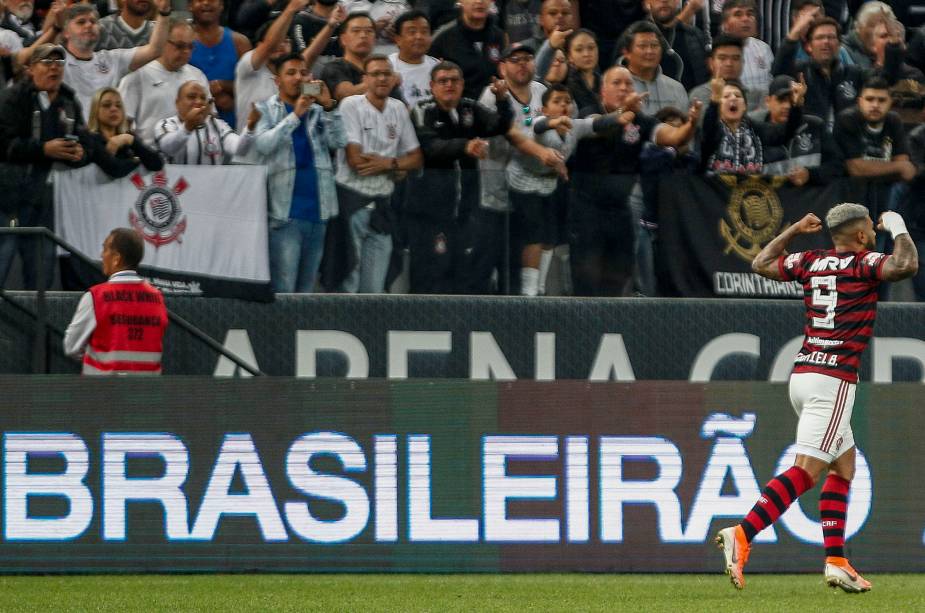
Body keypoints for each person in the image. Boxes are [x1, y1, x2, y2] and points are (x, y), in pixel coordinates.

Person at [717, 202, 918, 592]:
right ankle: (742, 533)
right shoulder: (863, 262)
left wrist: (792, 230)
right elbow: (905, 265)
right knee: (807, 471)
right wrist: (898, 225)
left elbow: (760, 263)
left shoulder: (810, 260)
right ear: (861, 236)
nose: (874, 238)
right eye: (871, 233)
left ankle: (837, 561)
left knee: (843, 468)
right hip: (834, 381)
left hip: (804, 373)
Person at [568, 65, 700, 296]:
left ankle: (611, 325)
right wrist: (621, 114)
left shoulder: (641, 121)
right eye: (616, 83)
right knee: (587, 277)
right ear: (602, 92)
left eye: (628, 83)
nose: (624, 88)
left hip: (620, 210)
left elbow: (673, 137)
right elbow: (600, 126)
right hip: (586, 209)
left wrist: (690, 124)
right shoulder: (590, 113)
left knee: (619, 274)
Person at [406, 60, 513, 294]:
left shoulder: (469, 108)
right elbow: (429, 146)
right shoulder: (422, 109)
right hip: (430, 213)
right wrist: (465, 146)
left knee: (465, 272)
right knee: (432, 272)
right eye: (443, 81)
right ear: (432, 86)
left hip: (466, 210)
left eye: (454, 80)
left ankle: (459, 327)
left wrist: (503, 100)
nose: (449, 85)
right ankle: (425, 325)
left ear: (463, 84)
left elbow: (500, 126)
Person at [254, 52, 345, 294]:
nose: (298, 78)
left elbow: (339, 142)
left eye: (303, 73)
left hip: (320, 213)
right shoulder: (264, 109)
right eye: (291, 73)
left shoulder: (319, 111)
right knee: (284, 288)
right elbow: (263, 145)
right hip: (285, 215)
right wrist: (295, 116)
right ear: (278, 81)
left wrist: (329, 106)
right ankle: (280, 333)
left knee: (305, 290)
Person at [335, 54, 422, 293]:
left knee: (374, 289)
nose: (382, 78)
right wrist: (397, 165)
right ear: (365, 79)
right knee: (348, 282)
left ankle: (367, 329)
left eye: (387, 74)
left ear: (394, 79)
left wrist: (388, 163)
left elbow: (416, 158)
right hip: (352, 203)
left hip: (383, 205)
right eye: (375, 74)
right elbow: (355, 160)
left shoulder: (398, 109)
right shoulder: (351, 105)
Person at [63, 227, 169, 375]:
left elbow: (71, 347)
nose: (101, 255)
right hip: (147, 392)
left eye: (105, 249)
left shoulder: (95, 296)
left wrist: (98, 359)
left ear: (116, 258)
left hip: (104, 392)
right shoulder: (157, 297)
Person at [773, 15, 901, 130]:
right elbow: (778, 71)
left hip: (847, 143)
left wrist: (894, 43)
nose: (826, 42)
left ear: (839, 45)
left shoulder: (854, 73)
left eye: (831, 37)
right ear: (809, 46)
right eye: (820, 37)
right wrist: (793, 34)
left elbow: (885, 79)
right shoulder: (799, 72)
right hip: (811, 143)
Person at [60, 2, 171, 121]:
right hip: (73, 134)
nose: (88, 25)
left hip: (106, 135)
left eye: (93, 21)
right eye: (81, 22)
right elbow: (37, 54)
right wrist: (55, 27)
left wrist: (163, 13)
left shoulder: (111, 59)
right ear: (66, 32)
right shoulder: (58, 60)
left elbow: (155, 49)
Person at [117, 18, 209, 146]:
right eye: (180, 46)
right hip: (152, 157)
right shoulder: (137, 75)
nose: (187, 51)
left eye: (191, 46)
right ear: (162, 43)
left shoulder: (198, 76)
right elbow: (122, 123)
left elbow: (210, 116)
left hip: (191, 158)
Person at [699, 75, 805, 175]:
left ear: (745, 106)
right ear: (719, 105)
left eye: (738, 95)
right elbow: (708, 132)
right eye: (726, 96)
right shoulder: (714, 130)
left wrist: (797, 105)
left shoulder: (756, 129)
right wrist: (714, 102)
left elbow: (786, 132)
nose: (733, 98)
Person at [750, 74, 842, 186]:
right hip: (769, 200)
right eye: (781, 100)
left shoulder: (815, 126)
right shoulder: (756, 132)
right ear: (768, 101)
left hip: (812, 200)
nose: (787, 106)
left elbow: (837, 166)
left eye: (792, 100)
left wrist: (810, 175)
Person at [834, 74, 916, 184]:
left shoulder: (894, 120)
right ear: (860, 102)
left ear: (890, 102)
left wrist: (899, 166)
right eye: (869, 99)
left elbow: (903, 163)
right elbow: (855, 169)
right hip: (850, 189)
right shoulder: (847, 119)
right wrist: (898, 167)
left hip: (885, 188)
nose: (875, 105)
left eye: (882, 100)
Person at [154, 80, 257, 164]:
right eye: (191, 97)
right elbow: (169, 149)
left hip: (211, 187)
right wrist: (187, 128)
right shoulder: (165, 125)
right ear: (178, 103)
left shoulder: (217, 125)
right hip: (177, 187)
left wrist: (250, 127)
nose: (199, 102)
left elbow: (239, 150)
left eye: (203, 98)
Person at [188, 0, 251, 127]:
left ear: (222, 5)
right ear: (190, 5)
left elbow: (253, 86)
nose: (206, 3)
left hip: (235, 128)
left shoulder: (239, 42)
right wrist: (208, 94)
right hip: (193, 130)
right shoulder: (183, 42)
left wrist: (223, 85)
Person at [429, 0, 506, 100]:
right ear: (461, 1)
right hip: (460, 109)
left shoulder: (499, 36)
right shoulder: (443, 38)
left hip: (495, 107)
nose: (479, 1)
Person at [85, 86, 164, 176]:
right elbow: (115, 169)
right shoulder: (90, 137)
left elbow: (157, 164)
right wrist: (137, 160)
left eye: (118, 106)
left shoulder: (128, 137)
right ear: (95, 111)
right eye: (107, 105)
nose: (114, 109)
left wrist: (131, 140)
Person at [618, 20, 688, 115]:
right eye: (642, 46)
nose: (649, 51)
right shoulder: (616, 87)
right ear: (626, 53)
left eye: (654, 45)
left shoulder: (676, 88)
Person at [688, 34, 763, 114]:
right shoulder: (700, 94)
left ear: (743, 63)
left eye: (735, 58)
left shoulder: (756, 95)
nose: (729, 64)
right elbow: (704, 123)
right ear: (711, 63)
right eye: (722, 58)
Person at [645, 0, 709, 92]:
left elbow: (705, 78)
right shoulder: (635, 37)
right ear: (647, 2)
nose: (664, 1)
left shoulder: (695, 35)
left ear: (677, 1)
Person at [719, 0, 772, 99]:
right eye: (738, 14)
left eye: (750, 14)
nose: (745, 19)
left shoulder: (764, 48)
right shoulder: (718, 53)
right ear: (725, 24)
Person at [388, 10, 439, 109]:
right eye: (412, 32)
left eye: (424, 32)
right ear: (398, 39)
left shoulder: (437, 66)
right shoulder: (386, 66)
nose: (419, 37)